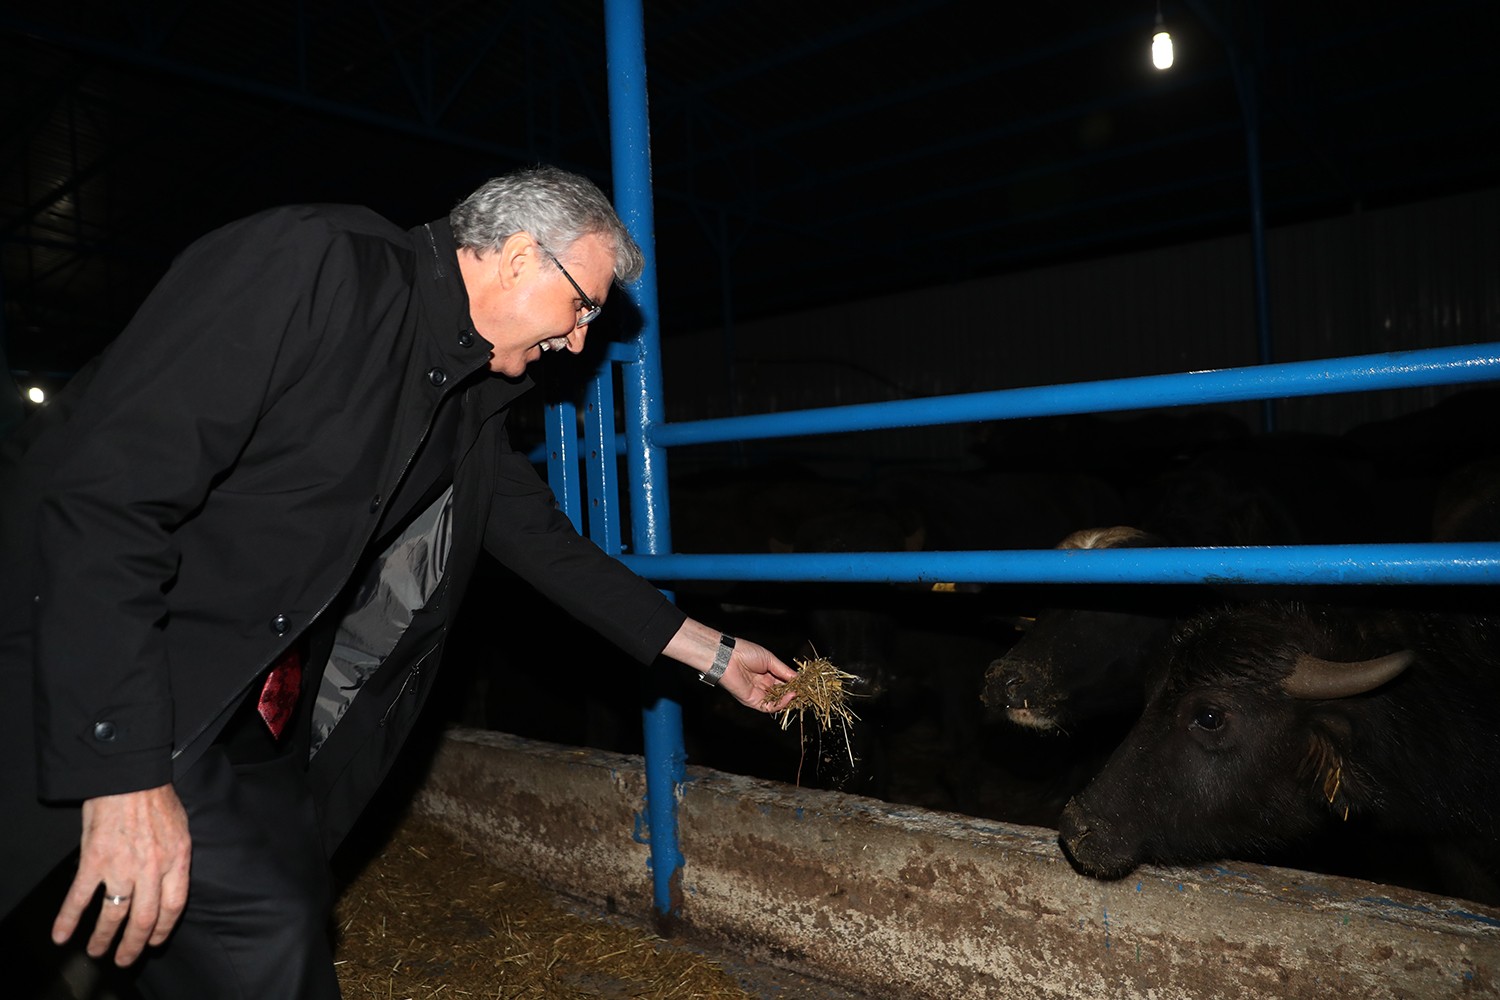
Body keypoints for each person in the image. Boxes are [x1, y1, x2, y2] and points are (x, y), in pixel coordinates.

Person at [0, 164, 798, 997]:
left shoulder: (465, 394)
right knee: (260, 923)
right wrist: (125, 773)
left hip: (224, 690)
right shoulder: (311, 267)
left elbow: (541, 542)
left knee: (287, 885)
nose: (579, 340)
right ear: (521, 257)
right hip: (87, 644)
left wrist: (714, 653)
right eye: (583, 306)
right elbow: (106, 501)